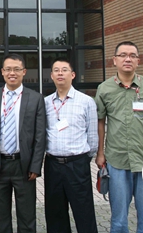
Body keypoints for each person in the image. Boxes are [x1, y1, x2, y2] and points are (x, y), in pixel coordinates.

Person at [94, 41, 143, 233]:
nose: (128, 59)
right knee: (118, 219)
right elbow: (100, 122)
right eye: (123, 55)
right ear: (114, 60)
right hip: (116, 160)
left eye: (132, 56)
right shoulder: (104, 88)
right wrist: (100, 153)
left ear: (138, 61)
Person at [0, 53, 46, 233]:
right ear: (2, 72)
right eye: (8, 69)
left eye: (17, 69)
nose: (12, 73)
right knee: (1, 218)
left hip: (23, 166)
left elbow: (40, 136)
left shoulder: (35, 98)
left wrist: (35, 166)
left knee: (27, 217)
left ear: (24, 72)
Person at [43, 58, 98, 233]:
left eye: (64, 70)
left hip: (77, 165)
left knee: (84, 211)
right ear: (51, 76)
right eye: (56, 70)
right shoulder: (46, 102)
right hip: (53, 165)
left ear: (73, 75)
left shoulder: (86, 101)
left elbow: (92, 137)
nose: (60, 73)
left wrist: (83, 159)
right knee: (55, 213)